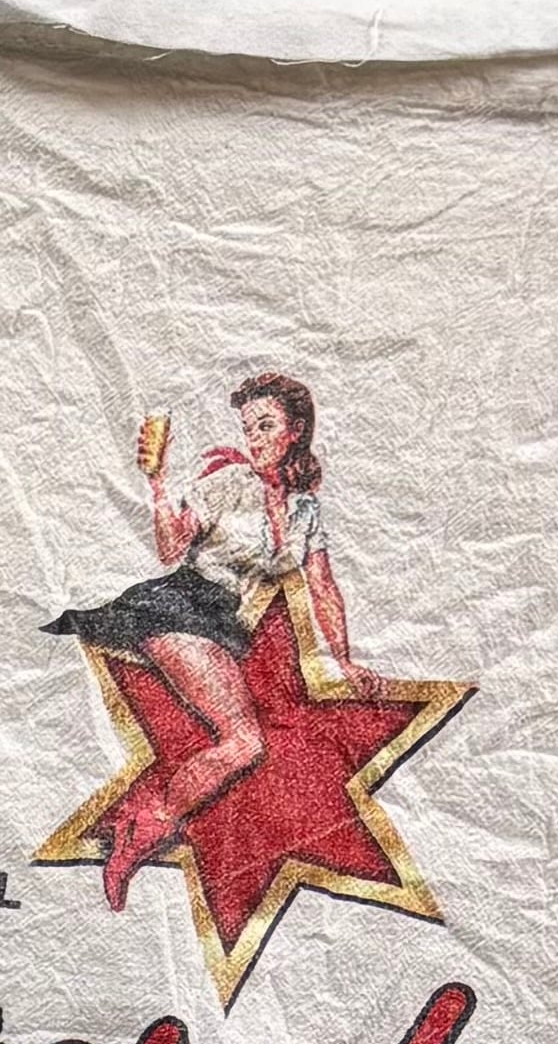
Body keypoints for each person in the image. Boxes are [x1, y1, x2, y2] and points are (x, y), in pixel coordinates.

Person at [46, 372, 358, 908]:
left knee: (247, 744)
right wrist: (157, 482)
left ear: (296, 431)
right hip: (179, 606)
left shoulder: (306, 511)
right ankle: (142, 831)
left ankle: (139, 826)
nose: (254, 438)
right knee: (244, 742)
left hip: (221, 622)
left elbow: (323, 586)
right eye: (248, 428)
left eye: (266, 425)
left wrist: (345, 662)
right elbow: (172, 549)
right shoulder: (229, 483)